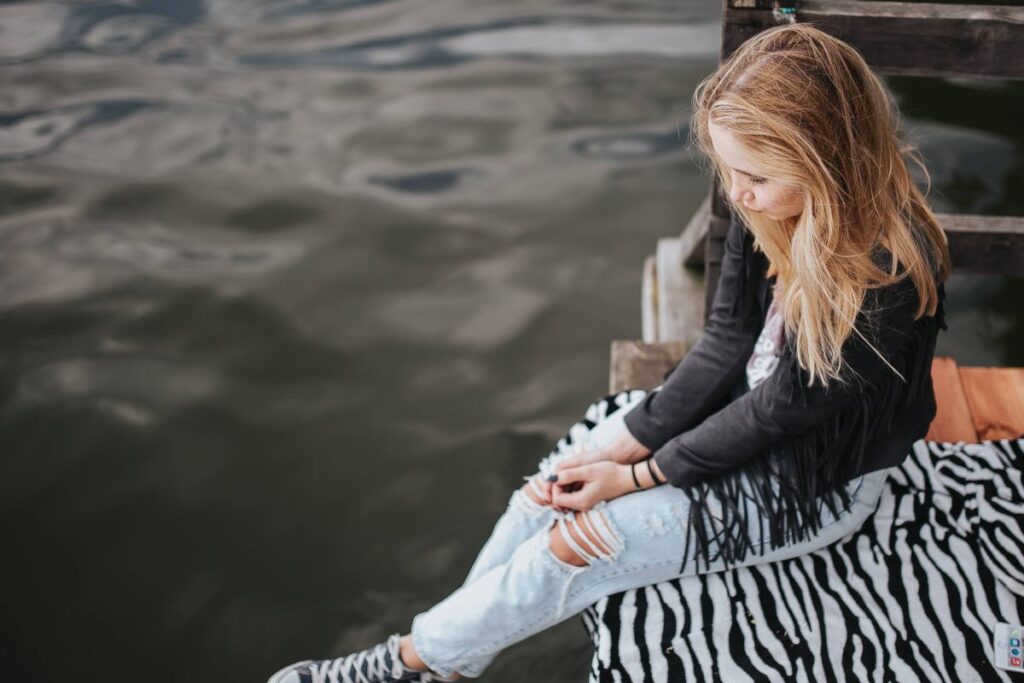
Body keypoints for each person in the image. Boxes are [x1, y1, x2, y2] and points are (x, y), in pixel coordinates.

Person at [268, 23, 951, 683]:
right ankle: (443, 662)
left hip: (814, 479)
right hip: (747, 419)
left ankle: (403, 662)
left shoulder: (886, 271)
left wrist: (635, 475)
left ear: (824, 159)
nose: (736, 195)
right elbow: (724, 343)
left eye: (755, 177)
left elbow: (780, 412)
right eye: (727, 170)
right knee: (547, 492)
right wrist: (623, 443)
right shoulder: (762, 200)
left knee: (576, 545)